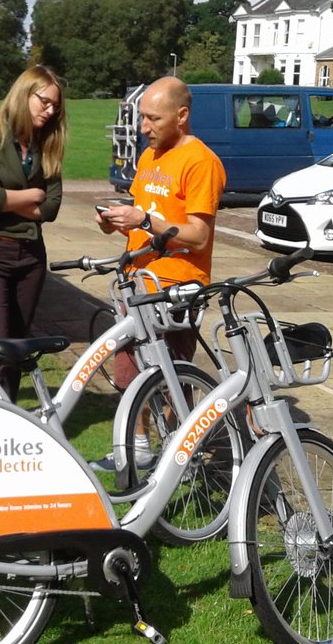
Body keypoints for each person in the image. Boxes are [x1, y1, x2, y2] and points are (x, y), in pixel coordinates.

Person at [90, 76, 225, 471]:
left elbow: (198, 236)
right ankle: (136, 447)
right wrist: (117, 223)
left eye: (153, 119)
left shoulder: (201, 162)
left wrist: (145, 220)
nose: (143, 128)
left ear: (181, 116)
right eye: (141, 118)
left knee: (171, 378)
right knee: (129, 371)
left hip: (176, 289)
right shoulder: (150, 156)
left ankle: (176, 455)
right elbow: (142, 214)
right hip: (137, 282)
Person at [0, 65, 67, 400]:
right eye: (44, 102)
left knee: (16, 351)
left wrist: (10, 197)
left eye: (55, 107)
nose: (50, 112)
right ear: (24, 94)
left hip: (31, 258)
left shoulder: (46, 145)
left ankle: (6, 431)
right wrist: (32, 195)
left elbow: (50, 210)